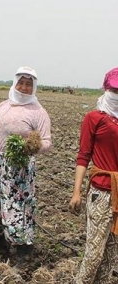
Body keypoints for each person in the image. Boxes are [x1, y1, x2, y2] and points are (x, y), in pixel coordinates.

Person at [0, 66, 52, 259]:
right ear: (15, 83)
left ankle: (24, 248)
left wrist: (31, 147)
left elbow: (47, 142)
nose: (24, 87)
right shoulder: (3, 105)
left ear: (34, 87)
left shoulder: (38, 112)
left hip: (17, 168)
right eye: (21, 82)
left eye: (29, 84)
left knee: (17, 205)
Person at [69, 67, 118, 284]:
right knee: (94, 254)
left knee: (110, 256)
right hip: (102, 192)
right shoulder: (94, 118)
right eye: (115, 91)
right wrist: (76, 192)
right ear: (106, 89)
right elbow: (83, 156)